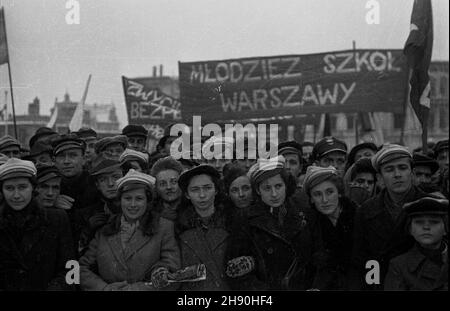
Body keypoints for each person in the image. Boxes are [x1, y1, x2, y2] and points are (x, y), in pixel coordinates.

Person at [226, 156, 319, 290]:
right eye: (267, 188)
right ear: (258, 190)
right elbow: (237, 271)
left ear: (286, 186)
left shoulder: (304, 214)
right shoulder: (245, 219)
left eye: (278, 186)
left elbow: (317, 259)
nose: (274, 194)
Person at [79, 169, 180, 291]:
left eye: (139, 199)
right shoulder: (105, 229)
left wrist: (136, 289)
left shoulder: (164, 227)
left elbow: (173, 272)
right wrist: (104, 288)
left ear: (147, 201)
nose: (132, 204)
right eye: (127, 198)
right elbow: (82, 268)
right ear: (120, 200)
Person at [350, 144, 429, 290]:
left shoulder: (430, 206)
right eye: (389, 169)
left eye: (402, 168)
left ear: (412, 173)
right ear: (380, 178)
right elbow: (361, 262)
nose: (397, 174)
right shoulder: (366, 211)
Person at [0, 158, 74, 290]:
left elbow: (71, 267)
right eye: (9, 188)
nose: (16, 195)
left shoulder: (57, 219)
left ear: (33, 188)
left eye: (22, 187)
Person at [176, 164, 232, 290]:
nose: (202, 195)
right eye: (195, 190)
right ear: (187, 194)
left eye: (207, 188)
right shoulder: (178, 227)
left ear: (216, 190)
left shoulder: (232, 222)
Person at [303, 165, 357, 290]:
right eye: (317, 194)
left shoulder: (359, 217)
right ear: (311, 199)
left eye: (330, 192)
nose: (325, 200)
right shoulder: (308, 225)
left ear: (339, 193)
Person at [52, 134, 100, 256]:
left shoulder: (97, 185)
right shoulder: (49, 188)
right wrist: (51, 202)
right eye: (62, 156)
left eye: (73, 155)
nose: (67, 161)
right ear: (54, 161)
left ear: (83, 159)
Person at [384, 197, 448, 290]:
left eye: (434, 222)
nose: (426, 227)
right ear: (410, 229)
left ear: (445, 228)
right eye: (419, 222)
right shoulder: (399, 266)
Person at [78, 155, 124, 254]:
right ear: (97, 185)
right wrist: (88, 231)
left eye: (116, 177)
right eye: (103, 180)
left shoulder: (139, 208)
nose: (111, 183)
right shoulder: (87, 215)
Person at [151, 156, 183, 222]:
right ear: (156, 187)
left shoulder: (196, 208)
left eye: (174, 182)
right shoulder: (149, 213)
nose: (169, 187)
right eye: (163, 184)